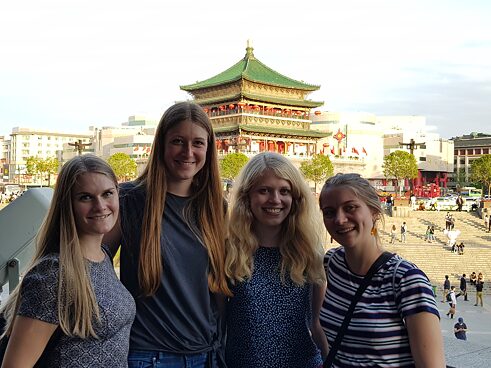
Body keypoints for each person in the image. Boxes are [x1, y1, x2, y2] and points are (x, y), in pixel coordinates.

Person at [103, 102, 230, 368]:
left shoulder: (216, 207)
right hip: (148, 355)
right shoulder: (130, 200)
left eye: (198, 143)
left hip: (207, 354)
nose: (188, 152)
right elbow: (95, 265)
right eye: (178, 141)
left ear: (209, 149)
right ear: (161, 144)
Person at [0, 154, 136, 367]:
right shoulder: (53, 275)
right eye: (85, 197)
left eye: (107, 193)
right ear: (66, 204)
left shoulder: (102, 257)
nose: (100, 206)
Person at [319, 173, 445, 367]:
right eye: (329, 212)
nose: (339, 219)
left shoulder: (407, 280)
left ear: (374, 212)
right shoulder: (331, 263)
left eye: (350, 207)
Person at [224, 152, 327, 368]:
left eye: (284, 191)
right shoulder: (230, 251)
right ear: (247, 196)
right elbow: (217, 323)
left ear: (295, 197)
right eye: (264, 191)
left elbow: (318, 325)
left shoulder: (309, 252)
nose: (275, 200)